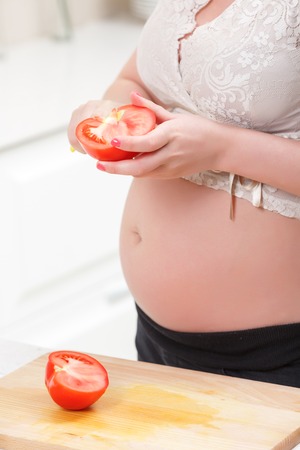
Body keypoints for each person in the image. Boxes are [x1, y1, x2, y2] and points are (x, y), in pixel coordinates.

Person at [68, 0, 300, 388]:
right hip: (155, 337)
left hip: (269, 357)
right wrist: (105, 114)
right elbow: (135, 81)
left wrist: (224, 149)